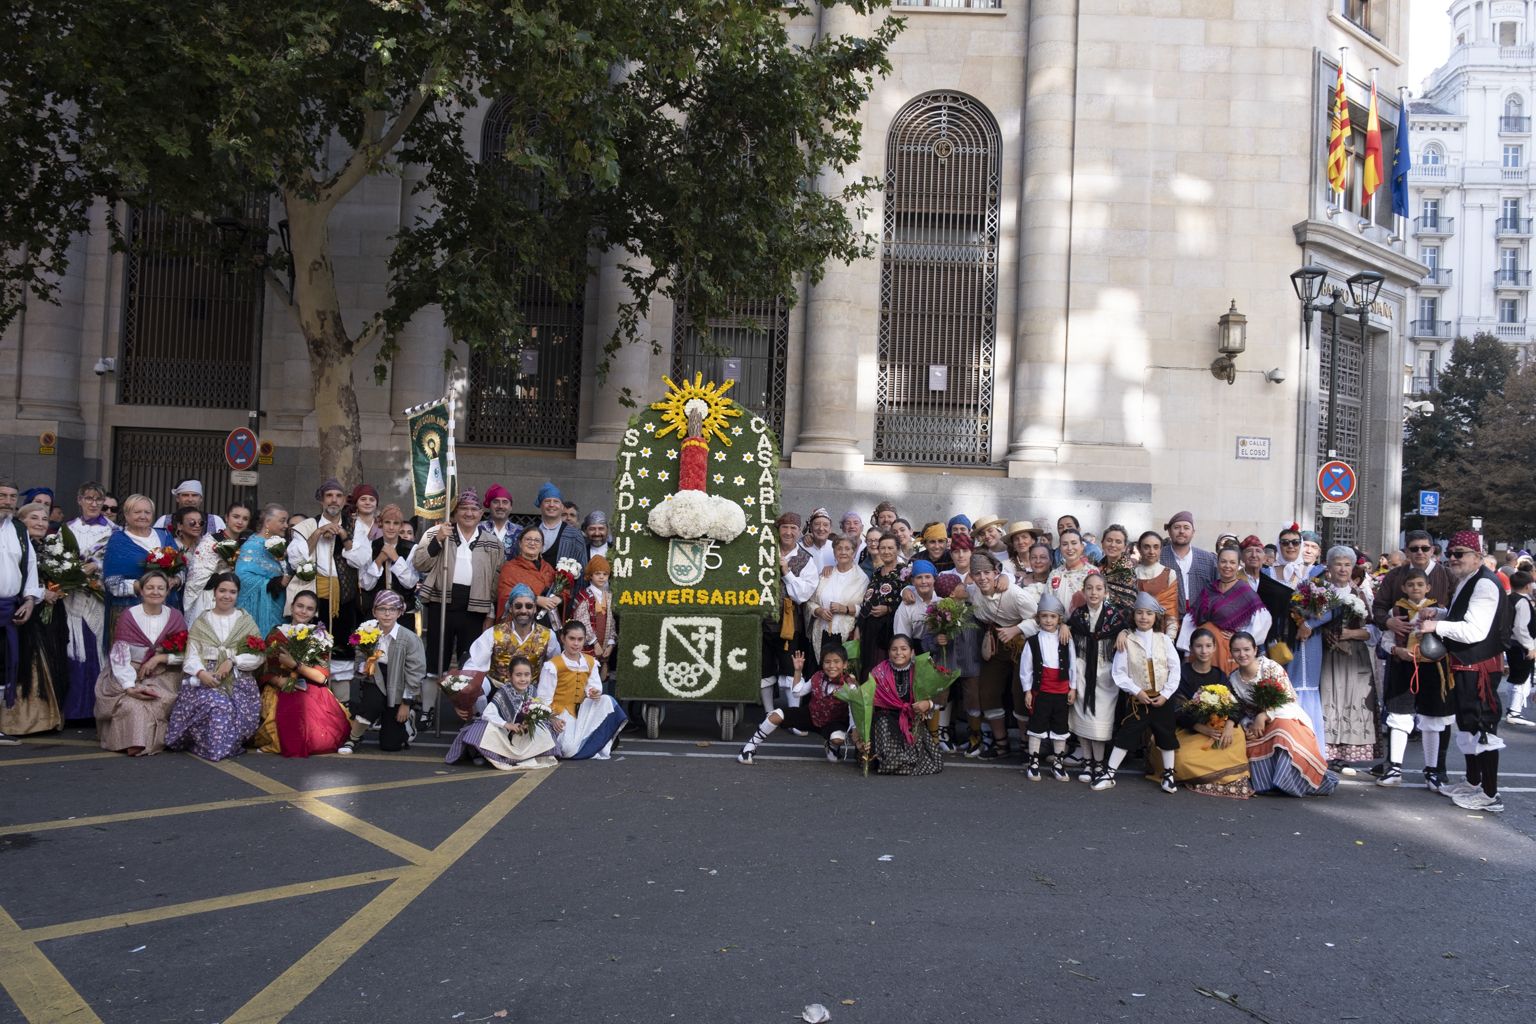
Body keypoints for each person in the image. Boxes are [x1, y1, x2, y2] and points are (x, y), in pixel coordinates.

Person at [1417, 531, 1513, 813]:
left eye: (1460, 553)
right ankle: (1473, 783)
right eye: (1451, 553)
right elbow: (1462, 616)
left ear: (1477, 556)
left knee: (1483, 726)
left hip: (1479, 666)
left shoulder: (1484, 584)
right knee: (1469, 724)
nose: (1453, 558)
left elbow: (1475, 630)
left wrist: (1436, 627)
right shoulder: (1468, 581)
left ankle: (1491, 794)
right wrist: (1441, 614)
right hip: (1466, 664)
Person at [1226, 631, 1337, 798]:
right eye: (1237, 650)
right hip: (1255, 722)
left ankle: (1288, 782)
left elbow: (1288, 698)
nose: (1242, 654)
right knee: (1248, 740)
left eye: (1246, 649)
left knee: (1282, 731)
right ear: (1231, 652)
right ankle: (1267, 784)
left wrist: (1264, 715)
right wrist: (1246, 725)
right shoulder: (1233, 679)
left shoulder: (1270, 667)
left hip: (1286, 714)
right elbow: (1240, 709)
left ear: (1255, 650)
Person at [166, 573, 263, 761]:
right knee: (218, 705)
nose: (227, 596)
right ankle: (213, 746)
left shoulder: (245, 621)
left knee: (236, 709)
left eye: (232, 592)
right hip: (206, 675)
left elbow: (258, 655)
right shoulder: (202, 621)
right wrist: (201, 673)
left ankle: (220, 744)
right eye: (222, 591)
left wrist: (233, 660)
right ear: (214, 592)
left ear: (238, 595)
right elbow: (191, 655)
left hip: (237, 677)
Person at [1095, 592, 1183, 793]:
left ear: (1156, 617)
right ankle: (1109, 773)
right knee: (1126, 734)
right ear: (1133, 616)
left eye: (1149, 613)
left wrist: (1166, 694)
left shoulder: (1164, 640)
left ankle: (1169, 775)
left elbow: (1175, 668)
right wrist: (1137, 692)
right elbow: (1119, 673)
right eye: (1140, 613)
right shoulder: (1127, 640)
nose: (1144, 617)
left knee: (1166, 735)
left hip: (1162, 698)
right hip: (1138, 701)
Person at [413, 489, 504, 677]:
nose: (469, 513)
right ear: (454, 513)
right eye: (463, 508)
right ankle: (430, 706)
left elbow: (496, 582)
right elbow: (420, 563)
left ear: (481, 514)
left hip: (475, 608)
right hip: (442, 603)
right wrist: (438, 540)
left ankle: (463, 705)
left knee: (469, 659)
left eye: (473, 509)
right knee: (436, 658)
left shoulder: (494, 543)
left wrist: (490, 613)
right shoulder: (436, 533)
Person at [95, 570, 187, 755]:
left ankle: (150, 741)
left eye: (161, 588)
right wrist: (129, 685)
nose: (155, 592)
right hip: (128, 671)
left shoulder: (175, 616)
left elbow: (186, 654)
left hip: (165, 673)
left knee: (157, 700)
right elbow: (119, 656)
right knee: (132, 702)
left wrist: (160, 658)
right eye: (150, 587)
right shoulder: (129, 616)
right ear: (141, 591)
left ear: (167, 592)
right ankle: (133, 741)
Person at [250, 589, 350, 757]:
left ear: (315, 612)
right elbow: (265, 669)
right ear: (292, 607)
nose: (303, 611)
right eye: (300, 606)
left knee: (319, 735)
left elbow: (321, 676)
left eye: (309, 608)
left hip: (310, 687)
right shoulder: (277, 633)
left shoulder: (320, 636)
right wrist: (280, 682)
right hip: (279, 686)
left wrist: (295, 665)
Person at [1377, 568, 1448, 789]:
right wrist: (1396, 651)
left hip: (1432, 669)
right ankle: (1395, 767)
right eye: (1411, 585)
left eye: (1420, 584)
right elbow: (1386, 639)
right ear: (1403, 588)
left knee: (1431, 718)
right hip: (1403, 667)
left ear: (1428, 587)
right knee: (1399, 714)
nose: (1415, 589)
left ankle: (1432, 769)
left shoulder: (1439, 611)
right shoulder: (1396, 609)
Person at [1, 502, 66, 737]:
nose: (40, 523)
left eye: (44, 519)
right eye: (34, 518)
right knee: (21, 662)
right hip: (22, 611)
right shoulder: (16, 545)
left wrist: (59, 588)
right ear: (22, 521)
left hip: (47, 614)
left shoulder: (50, 547)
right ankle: (16, 719)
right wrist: (40, 593)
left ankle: (44, 719)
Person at [968, 551, 1039, 759]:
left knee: (1020, 693)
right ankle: (1001, 744)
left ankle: (1027, 746)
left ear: (996, 572)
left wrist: (1016, 630)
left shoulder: (1015, 594)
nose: (982, 578)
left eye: (986, 572)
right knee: (988, 691)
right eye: (977, 574)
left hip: (1022, 644)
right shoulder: (973, 592)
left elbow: (1039, 620)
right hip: (996, 643)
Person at [1168, 628, 1252, 799]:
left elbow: (1235, 704)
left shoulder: (1219, 675)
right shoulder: (1181, 674)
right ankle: (1213, 773)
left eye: (1208, 646)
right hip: (1190, 729)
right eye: (1199, 646)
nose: (1204, 651)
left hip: (1217, 728)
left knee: (1237, 735)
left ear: (1215, 648)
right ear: (1191, 648)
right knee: (1181, 759)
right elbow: (1177, 709)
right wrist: (1200, 728)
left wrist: (1229, 725)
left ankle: (1220, 773)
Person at [339, 590, 426, 754]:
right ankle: (353, 738)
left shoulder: (409, 638)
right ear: (374, 612)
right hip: (375, 678)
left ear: (400, 612)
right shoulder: (366, 632)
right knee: (372, 703)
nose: (387, 614)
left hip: (399, 683)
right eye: (382, 609)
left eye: (392, 609)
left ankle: (407, 721)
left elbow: (415, 672)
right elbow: (358, 660)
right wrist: (364, 666)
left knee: (391, 745)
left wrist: (406, 703)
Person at [456, 585, 560, 720]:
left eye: (528, 606)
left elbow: (556, 666)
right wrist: (463, 699)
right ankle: (480, 723)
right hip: (497, 687)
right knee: (477, 687)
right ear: (510, 608)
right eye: (518, 606)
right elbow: (473, 665)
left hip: (530, 690)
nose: (524, 610)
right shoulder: (494, 633)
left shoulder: (548, 635)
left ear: (535, 608)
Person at [287, 479, 361, 667]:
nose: (333, 500)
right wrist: (318, 533)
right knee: (312, 646)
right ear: (321, 500)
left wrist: (344, 535)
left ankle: (339, 695)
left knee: (342, 646)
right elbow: (297, 561)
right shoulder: (307, 526)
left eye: (338, 496)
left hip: (345, 595)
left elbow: (361, 560)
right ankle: (314, 690)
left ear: (344, 500)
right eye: (329, 496)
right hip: (314, 594)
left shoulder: (355, 526)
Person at [737, 646, 853, 764]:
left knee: (836, 742)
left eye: (836, 662)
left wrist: (855, 732)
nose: (832, 666)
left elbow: (854, 712)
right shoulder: (817, 677)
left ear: (845, 665)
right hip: (812, 715)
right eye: (827, 662)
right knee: (776, 715)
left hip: (834, 722)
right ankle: (748, 749)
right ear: (822, 663)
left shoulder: (850, 685)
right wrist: (797, 671)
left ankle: (832, 747)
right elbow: (797, 692)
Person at [1318, 545, 1378, 769]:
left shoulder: (1360, 594)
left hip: (1354, 656)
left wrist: (1350, 633)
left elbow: (1372, 631)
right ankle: (1327, 749)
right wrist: (1328, 634)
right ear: (1329, 567)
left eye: (1347, 565)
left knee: (1353, 697)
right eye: (1338, 564)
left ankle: (1347, 752)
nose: (1343, 569)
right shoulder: (1320, 593)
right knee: (1329, 695)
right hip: (1328, 654)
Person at [1067, 573, 1131, 782]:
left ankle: (1099, 762)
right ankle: (1087, 762)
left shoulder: (1115, 615)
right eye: (1089, 588)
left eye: (1098, 588)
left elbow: (1128, 628)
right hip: (1082, 668)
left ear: (1106, 592)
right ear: (1084, 591)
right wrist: (1063, 626)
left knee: (1099, 720)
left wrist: (1124, 632)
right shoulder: (1078, 615)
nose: (1094, 592)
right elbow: (1069, 627)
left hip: (1105, 673)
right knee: (1081, 716)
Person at [444, 655, 557, 770]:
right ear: (510, 676)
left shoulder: (532, 690)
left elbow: (539, 711)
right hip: (504, 733)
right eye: (518, 675)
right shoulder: (504, 691)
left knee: (546, 728)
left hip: (523, 732)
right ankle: (489, 754)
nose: (523, 679)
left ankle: (524, 755)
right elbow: (488, 714)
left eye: (526, 675)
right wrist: (507, 725)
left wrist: (531, 723)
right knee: (482, 729)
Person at [61, 481, 114, 722]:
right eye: (89, 498)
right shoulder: (66, 529)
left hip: (99, 599)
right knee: (74, 649)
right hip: (72, 599)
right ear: (79, 500)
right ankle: (73, 709)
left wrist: (98, 567)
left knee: (97, 650)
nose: (94, 503)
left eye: (98, 499)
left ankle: (96, 709)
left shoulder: (114, 531)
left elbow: (115, 564)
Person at [538, 621, 626, 759]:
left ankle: (597, 741)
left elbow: (595, 687)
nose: (576, 643)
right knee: (568, 750)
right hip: (561, 713)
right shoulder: (552, 666)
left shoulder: (590, 662)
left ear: (585, 640)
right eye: (572, 638)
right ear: (563, 638)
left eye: (580, 639)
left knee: (607, 701)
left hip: (582, 710)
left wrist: (595, 693)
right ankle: (591, 744)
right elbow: (543, 698)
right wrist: (553, 718)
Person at [1179, 547, 1272, 672]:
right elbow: (1191, 619)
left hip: (1228, 651)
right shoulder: (1209, 589)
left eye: (1232, 562)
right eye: (1223, 561)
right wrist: (1187, 653)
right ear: (1217, 564)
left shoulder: (1245, 591)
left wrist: (1241, 636)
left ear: (1239, 565)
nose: (1227, 566)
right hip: (1204, 650)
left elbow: (1263, 621)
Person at [1019, 594, 1076, 782]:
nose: (1048, 620)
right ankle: (1033, 762)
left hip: (1061, 690)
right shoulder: (1033, 641)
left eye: (1052, 617)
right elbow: (1026, 668)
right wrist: (1027, 690)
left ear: (1059, 619)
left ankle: (1058, 764)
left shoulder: (1066, 639)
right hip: (1041, 690)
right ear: (1038, 618)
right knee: (1037, 724)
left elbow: (1072, 665)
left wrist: (1073, 687)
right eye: (1044, 616)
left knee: (1060, 726)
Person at [866, 634, 943, 776]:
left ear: (912, 652)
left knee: (932, 761)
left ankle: (902, 763)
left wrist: (927, 704)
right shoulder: (878, 672)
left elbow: (936, 700)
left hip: (910, 719)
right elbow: (866, 701)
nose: (898, 653)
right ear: (888, 652)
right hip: (885, 720)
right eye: (894, 649)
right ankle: (894, 761)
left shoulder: (921, 671)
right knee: (883, 723)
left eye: (903, 649)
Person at [103, 494, 176, 624]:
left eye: (147, 512)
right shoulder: (118, 540)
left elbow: (182, 567)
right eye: (137, 512)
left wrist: (175, 580)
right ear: (126, 515)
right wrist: (143, 586)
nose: (143, 516)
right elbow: (111, 583)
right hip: (130, 609)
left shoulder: (164, 535)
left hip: (165, 607)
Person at [358, 504, 421, 637]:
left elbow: (410, 583)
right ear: (381, 524)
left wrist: (396, 558)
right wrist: (379, 559)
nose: (391, 527)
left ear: (400, 526)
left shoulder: (412, 549)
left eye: (396, 523)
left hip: (402, 613)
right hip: (375, 613)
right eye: (387, 522)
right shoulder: (370, 547)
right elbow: (366, 584)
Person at [806, 536, 868, 664]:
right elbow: (810, 601)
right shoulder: (825, 575)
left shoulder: (862, 579)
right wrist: (818, 611)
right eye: (839, 549)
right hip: (822, 632)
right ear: (834, 552)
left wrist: (845, 609)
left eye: (847, 549)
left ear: (854, 552)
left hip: (846, 634)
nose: (843, 552)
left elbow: (866, 609)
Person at [235, 504, 291, 637]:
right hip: (259, 609)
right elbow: (243, 578)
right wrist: (275, 583)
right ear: (267, 522)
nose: (286, 525)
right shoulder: (252, 546)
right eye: (282, 521)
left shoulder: (280, 545)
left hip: (278, 606)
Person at [1159, 510, 1216, 629]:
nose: (1181, 531)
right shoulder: (1159, 558)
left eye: (1186, 527)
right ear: (1169, 531)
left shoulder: (1208, 559)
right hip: (1167, 622)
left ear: (1193, 532)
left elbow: (1217, 590)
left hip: (1201, 623)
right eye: (1177, 527)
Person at [568, 555, 616, 678]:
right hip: (589, 645)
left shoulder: (609, 596)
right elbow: (582, 623)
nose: (601, 577)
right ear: (590, 575)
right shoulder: (584, 595)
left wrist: (610, 644)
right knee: (585, 676)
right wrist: (595, 643)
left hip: (604, 644)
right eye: (597, 573)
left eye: (605, 574)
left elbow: (611, 622)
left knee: (601, 678)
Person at [497, 527, 557, 623]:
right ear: (520, 544)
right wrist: (535, 600)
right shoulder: (510, 568)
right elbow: (505, 596)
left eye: (537, 540)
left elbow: (559, 589)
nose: (532, 543)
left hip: (547, 622)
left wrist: (558, 598)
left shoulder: (548, 568)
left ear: (542, 546)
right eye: (528, 539)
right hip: (520, 621)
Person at [533, 482, 590, 569]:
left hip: (561, 582)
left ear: (562, 507)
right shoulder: (529, 532)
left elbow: (582, 567)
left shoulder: (574, 535)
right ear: (541, 505)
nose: (551, 505)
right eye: (547, 501)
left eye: (556, 501)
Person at [1133, 532, 1180, 636]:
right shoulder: (1132, 573)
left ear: (1161, 549)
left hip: (1160, 632)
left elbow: (1171, 610)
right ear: (1139, 549)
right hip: (1134, 632)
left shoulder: (1169, 574)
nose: (1151, 551)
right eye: (1147, 547)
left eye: (1156, 547)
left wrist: (1170, 638)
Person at [1504, 570, 1535, 725]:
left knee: (1515, 676)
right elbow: (1520, 627)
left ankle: (1512, 708)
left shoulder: (1509, 598)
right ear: (1528, 586)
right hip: (1521, 645)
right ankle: (1515, 711)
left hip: (1510, 644)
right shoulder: (1523, 602)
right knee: (1522, 678)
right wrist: (1531, 647)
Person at [1045, 529, 1095, 613]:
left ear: (1082, 546)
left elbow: (1100, 605)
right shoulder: (1055, 574)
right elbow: (1047, 606)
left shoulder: (1092, 572)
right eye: (1064, 544)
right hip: (1058, 624)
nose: (1069, 548)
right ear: (1060, 548)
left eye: (1074, 543)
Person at [154, 480, 226, 534]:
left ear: (201, 499)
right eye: (185, 495)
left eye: (194, 495)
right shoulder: (164, 521)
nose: (190, 499)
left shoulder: (215, 520)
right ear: (177, 498)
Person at [1096, 524, 1138, 609]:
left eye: (1118, 542)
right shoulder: (1096, 567)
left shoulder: (1127, 572)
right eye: (1109, 540)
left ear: (1124, 547)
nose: (1112, 545)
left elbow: (1127, 605)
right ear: (1102, 543)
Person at [478, 483, 522, 562]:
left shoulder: (520, 531)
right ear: (490, 505)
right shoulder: (478, 529)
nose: (500, 506)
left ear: (510, 507)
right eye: (496, 502)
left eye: (505, 502)